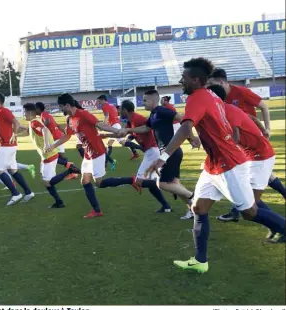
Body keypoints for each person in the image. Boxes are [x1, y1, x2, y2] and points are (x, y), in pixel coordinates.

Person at [145, 57, 285, 273]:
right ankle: (200, 262)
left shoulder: (197, 97)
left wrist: (162, 157)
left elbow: (184, 128)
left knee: (250, 212)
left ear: (196, 80)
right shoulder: (209, 95)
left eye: (184, 78)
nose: (181, 81)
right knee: (199, 207)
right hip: (214, 164)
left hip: (229, 164)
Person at [207, 84, 285, 243]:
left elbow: (234, 135)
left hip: (260, 157)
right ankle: (276, 226)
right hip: (250, 156)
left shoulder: (227, 110)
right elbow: (251, 118)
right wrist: (263, 131)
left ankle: (280, 227)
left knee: (249, 205)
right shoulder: (221, 111)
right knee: (249, 201)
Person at [45, 93, 142, 218]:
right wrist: (53, 146)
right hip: (88, 154)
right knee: (85, 181)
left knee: (99, 183)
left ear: (67, 105)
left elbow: (100, 124)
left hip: (97, 151)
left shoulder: (83, 114)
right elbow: (67, 135)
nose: (61, 109)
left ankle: (131, 180)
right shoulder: (69, 119)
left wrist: (117, 131)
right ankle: (96, 210)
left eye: (61, 107)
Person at [126, 89, 196, 219]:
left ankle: (193, 196)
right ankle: (193, 209)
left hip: (170, 152)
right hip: (171, 152)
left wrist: (191, 137)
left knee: (162, 184)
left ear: (153, 101)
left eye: (145, 100)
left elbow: (182, 118)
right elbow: (146, 128)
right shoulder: (153, 115)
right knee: (174, 184)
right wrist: (129, 130)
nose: (143, 103)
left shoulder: (162, 111)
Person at [101, 100, 172, 213]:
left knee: (138, 181)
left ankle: (168, 186)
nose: (118, 111)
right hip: (150, 151)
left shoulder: (137, 118)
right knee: (150, 184)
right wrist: (105, 135)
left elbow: (148, 127)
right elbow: (122, 133)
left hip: (152, 151)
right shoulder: (130, 120)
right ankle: (166, 206)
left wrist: (130, 130)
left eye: (120, 109)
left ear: (124, 110)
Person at [22, 103, 81, 208]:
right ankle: (59, 202)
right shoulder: (35, 121)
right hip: (48, 155)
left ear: (29, 112)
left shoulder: (34, 122)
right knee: (47, 181)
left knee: (47, 182)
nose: (23, 114)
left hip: (48, 155)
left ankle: (70, 170)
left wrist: (46, 144)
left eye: (24, 112)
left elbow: (44, 130)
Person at [0, 109, 36, 186]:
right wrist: (24, 128)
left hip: (6, 146)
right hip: (10, 145)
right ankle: (26, 171)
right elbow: (13, 124)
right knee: (9, 166)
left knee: (1, 167)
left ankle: (12, 185)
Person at [34, 102, 78, 180]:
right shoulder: (48, 115)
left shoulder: (43, 115)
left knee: (53, 156)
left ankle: (73, 171)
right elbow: (57, 125)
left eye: (35, 108)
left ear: (38, 109)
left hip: (55, 138)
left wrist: (42, 127)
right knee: (60, 157)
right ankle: (72, 172)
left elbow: (47, 121)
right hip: (58, 136)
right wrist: (63, 132)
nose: (34, 110)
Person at [97, 95, 120, 170]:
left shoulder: (104, 106)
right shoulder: (112, 105)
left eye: (99, 101)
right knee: (110, 143)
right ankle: (107, 162)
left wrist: (102, 126)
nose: (99, 102)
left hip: (114, 126)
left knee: (123, 142)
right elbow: (115, 114)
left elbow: (106, 117)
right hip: (116, 124)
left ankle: (108, 162)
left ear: (103, 100)